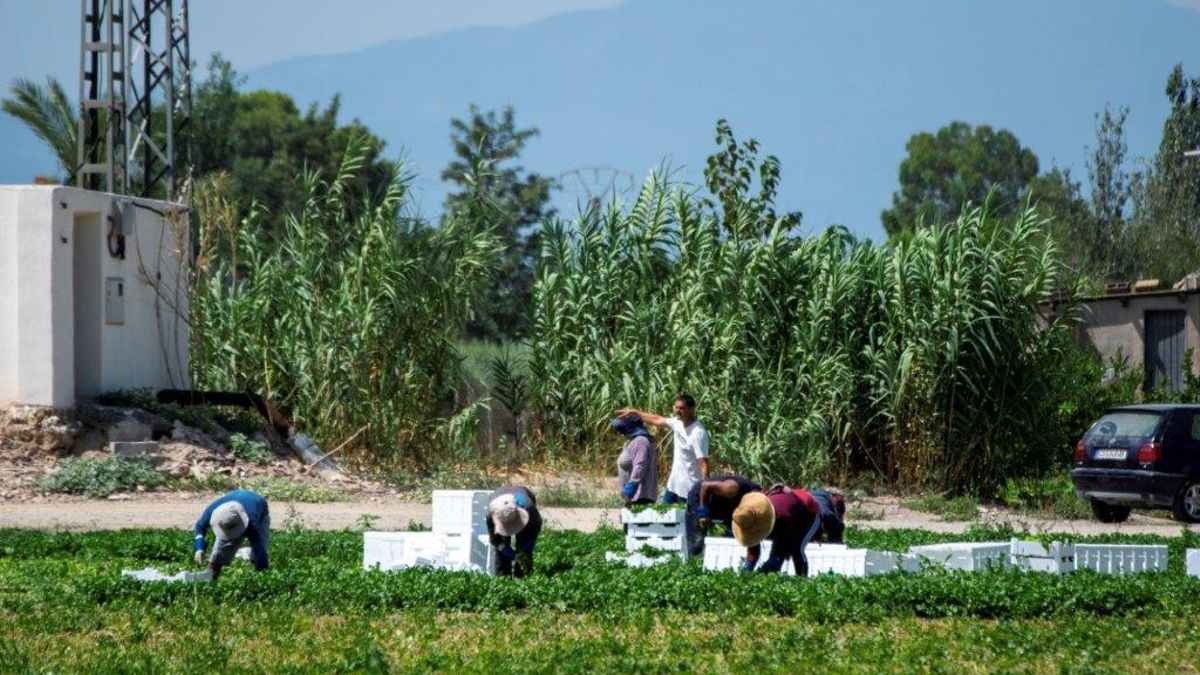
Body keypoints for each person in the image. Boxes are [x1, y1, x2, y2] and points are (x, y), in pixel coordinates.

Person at [616, 393, 709, 505]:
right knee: (664, 517)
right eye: (676, 407)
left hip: (689, 489)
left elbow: (703, 464)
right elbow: (657, 420)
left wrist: (704, 493)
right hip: (673, 487)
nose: (678, 411)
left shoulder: (698, 433)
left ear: (691, 409)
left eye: (682, 408)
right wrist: (636, 413)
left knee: (685, 521)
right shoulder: (678, 423)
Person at [737, 485, 822, 576]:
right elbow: (753, 552)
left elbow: (785, 544)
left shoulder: (781, 516)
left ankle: (802, 581)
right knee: (776, 557)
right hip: (788, 512)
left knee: (796, 549)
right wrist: (745, 574)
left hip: (808, 513)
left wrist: (760, 573)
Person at [193, 490, 270, 580]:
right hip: (237, 503)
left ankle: (258, 581)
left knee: (257, 555)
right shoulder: (212, 512)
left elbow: (259, 548)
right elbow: (199, 527)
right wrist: (199, 548)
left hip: (259, 507)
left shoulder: (252, 522)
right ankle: (210, 579)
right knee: (217, 558)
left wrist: (263, 572)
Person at [686, 474, 761, 555]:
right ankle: (692, 559)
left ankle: (729, 557)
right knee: (697, 538)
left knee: (734, 529)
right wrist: (703, 513)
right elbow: (705, 486)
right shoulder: (732, 488)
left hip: (722, 501)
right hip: (700, 496)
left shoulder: (750, 497)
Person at [486, 485, 542, 577]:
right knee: (502, 553)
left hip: (523, 494)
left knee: (524, 547)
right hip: (499, 493)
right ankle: (502, 577)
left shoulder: (529, 509)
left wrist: (528, 544)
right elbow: (494, 539)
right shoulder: (490, 516)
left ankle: (523, 576)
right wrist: (503, 548)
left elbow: (535, 528)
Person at [612, 413, 657, 505]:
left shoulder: (640, 442)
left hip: (640, 497)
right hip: (635, 498)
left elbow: (639, 466)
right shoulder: (635, 441)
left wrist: (630, 490)